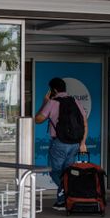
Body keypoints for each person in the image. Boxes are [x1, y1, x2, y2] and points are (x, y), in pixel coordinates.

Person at [34, 77, 88, 210]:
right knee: (67, 172)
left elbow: (38, 119)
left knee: (54, 171)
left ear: (54, 90)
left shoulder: (52, 102)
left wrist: (44, 102)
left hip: (59, 143)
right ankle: (62, 201)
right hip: (74, 144)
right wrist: (82, 143)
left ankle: (68, 192)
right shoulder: (75, 101)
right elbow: (84, 123)